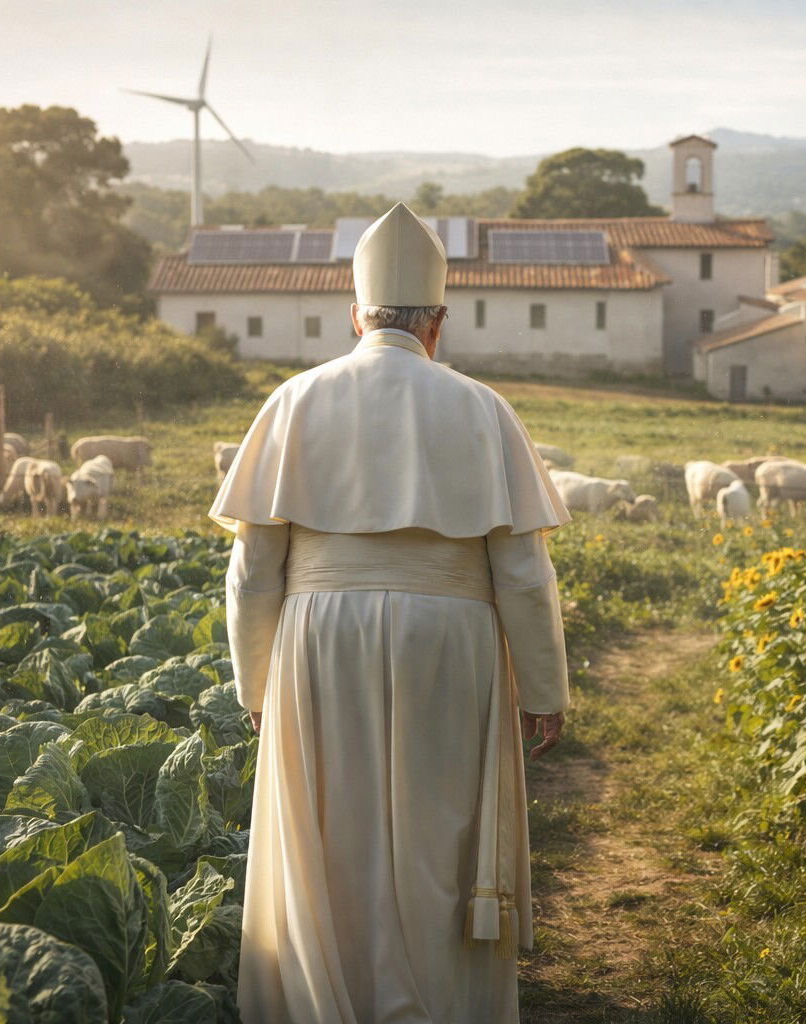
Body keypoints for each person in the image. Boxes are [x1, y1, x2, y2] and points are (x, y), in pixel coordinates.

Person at [212, 203, 572, 1023]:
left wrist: (257, 688)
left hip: (317, 636)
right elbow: (522, 572)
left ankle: (326, 997)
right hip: (450, 638)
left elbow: (254, 571)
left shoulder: (293, 401)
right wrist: (544, 689)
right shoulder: (484, 408)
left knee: (330, 835)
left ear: (355, 316)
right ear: (438, 322)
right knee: (438, 830)